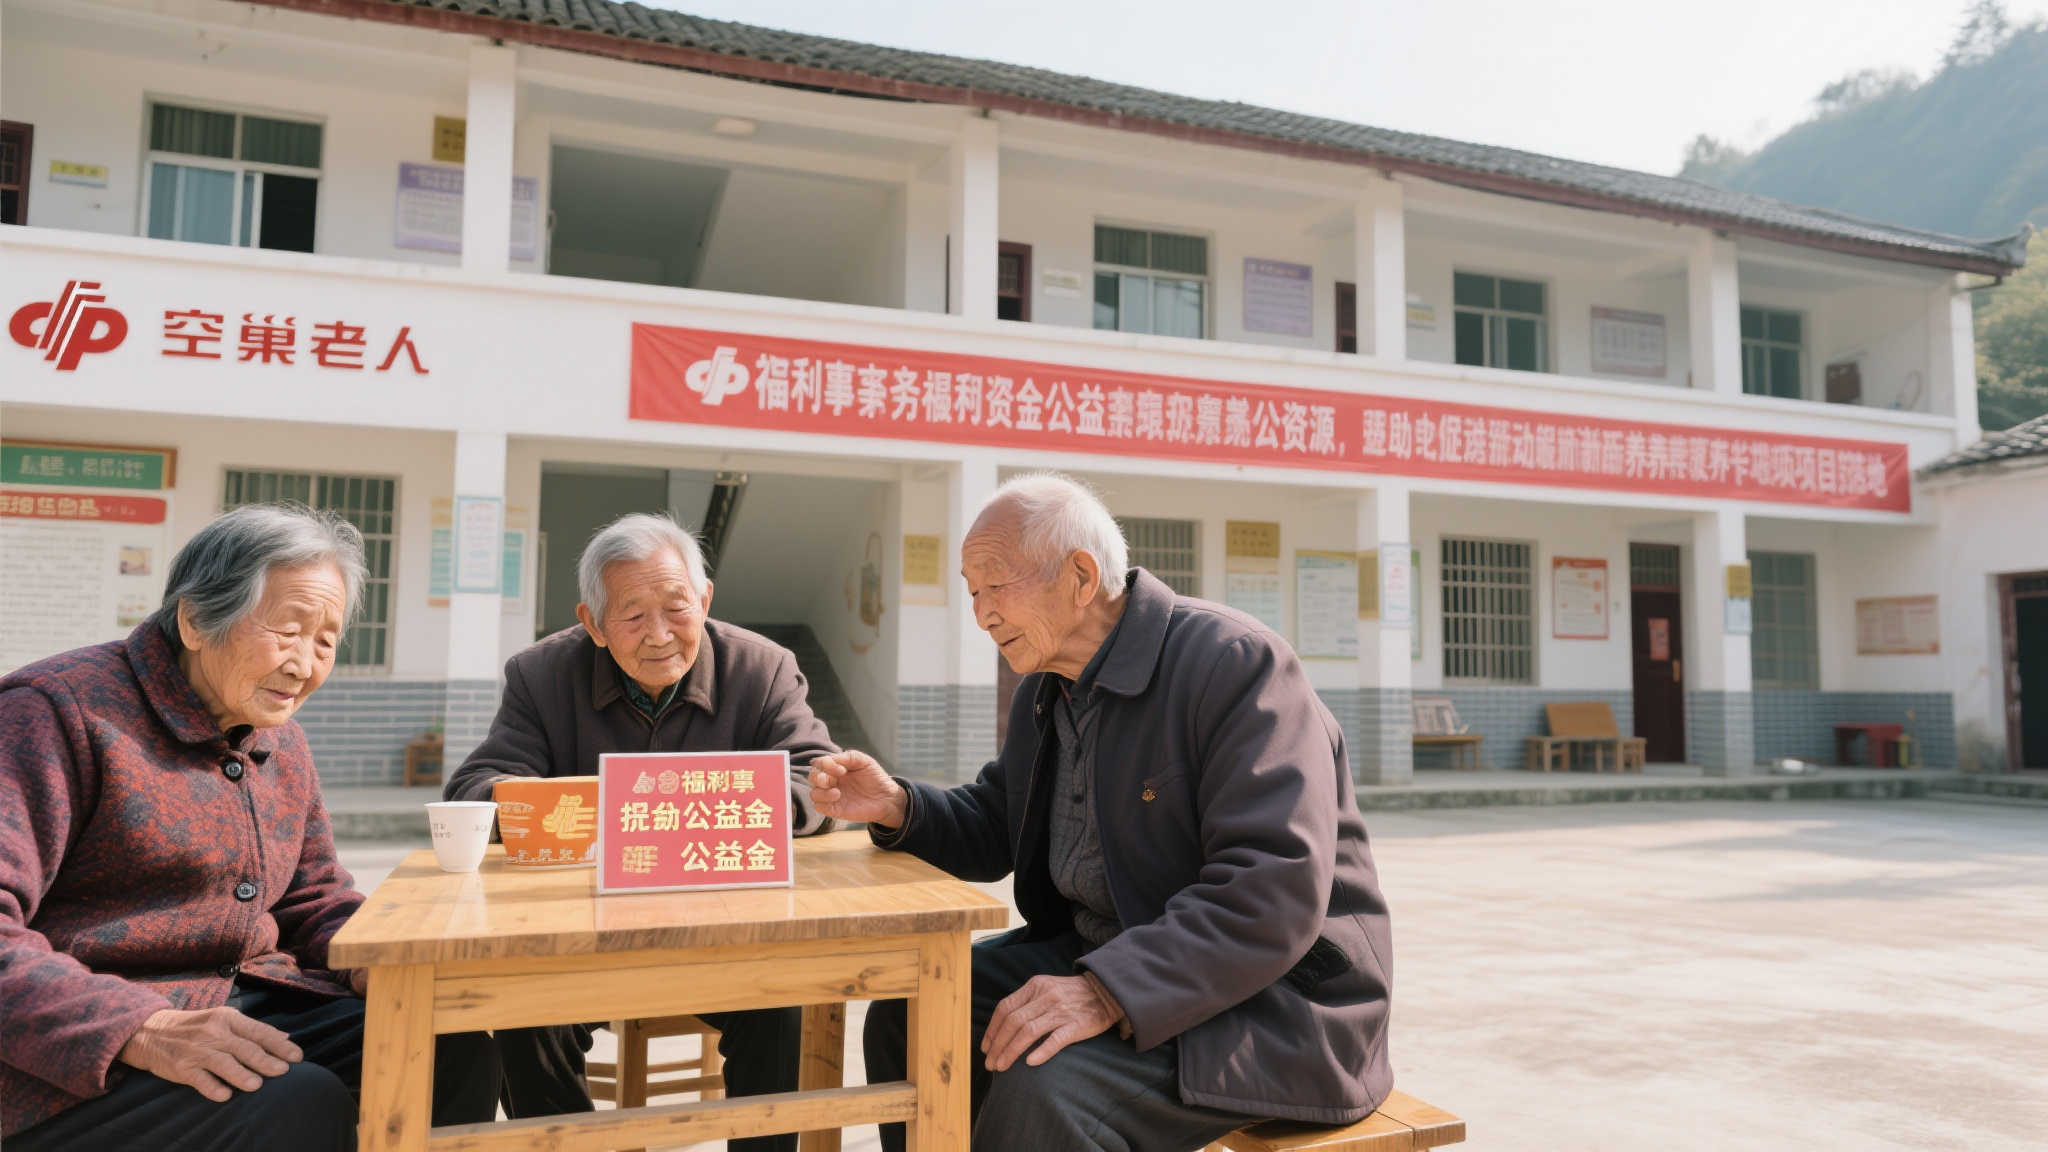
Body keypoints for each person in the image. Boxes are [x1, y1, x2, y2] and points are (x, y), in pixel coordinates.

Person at [811, 473, 1394, 1152]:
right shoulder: (1051, 685)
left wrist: (1107, 990)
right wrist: (899, 806)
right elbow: (1003, 818)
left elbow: (1271, 889)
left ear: (1080, 577)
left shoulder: (1233, 664)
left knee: (1048, 1084)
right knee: (915, 1011)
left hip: (1272, 1000)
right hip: (1112, 953)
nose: (982, 613)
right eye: (972, 592)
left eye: (996, 585)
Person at [0, 505, 499, 1152]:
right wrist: (138, 1026)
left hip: (247, 1002)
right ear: (196, 621)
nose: (304, 664)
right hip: (79, 1045)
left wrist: (375, 960)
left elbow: (313, 898)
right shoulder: (54, 714)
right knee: (295, 1101)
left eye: (326, 641)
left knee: (446, 1048)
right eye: (287, 630)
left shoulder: (278, 740)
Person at [444, 512, 839, 1149]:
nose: (659, 635)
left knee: (777, 1004)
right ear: (593, 625)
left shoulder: (762, 669)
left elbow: (814, 775)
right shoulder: (541, 676)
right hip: (583, 940)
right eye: (631, 616)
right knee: (523, 1020)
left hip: (726, 931)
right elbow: (479, 786)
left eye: (677, 608)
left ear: (705, 599)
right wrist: (580, 807)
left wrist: (732, 806)